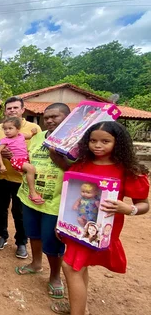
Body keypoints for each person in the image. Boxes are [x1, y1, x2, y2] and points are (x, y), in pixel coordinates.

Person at [51, 121, 149, 315]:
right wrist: (61, 223)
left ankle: (77, 312)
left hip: (101, 229)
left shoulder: (127, 170)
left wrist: (128, 209)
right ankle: (80, 308)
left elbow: (144, 204)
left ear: (118, 142)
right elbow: (71, 195)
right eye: (93, 140)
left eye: (105, 141)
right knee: (79, 266)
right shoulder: (82, 164)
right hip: (77, 225)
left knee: (70, 266)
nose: (98, 145)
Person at [14, 103, 71, 301]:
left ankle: (55, 277)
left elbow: (71, 168)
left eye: (55, 116)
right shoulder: (37, 137)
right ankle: (36, 263)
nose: (49, 121)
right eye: (46, 118)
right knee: (33, 234)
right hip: (30, 196)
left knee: (52, 240)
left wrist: (55, 149)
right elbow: (28, 159)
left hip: (54, 202)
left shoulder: (74, 141)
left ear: (67, 118)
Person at [0, 96, 41, 258]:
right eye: (9, 108)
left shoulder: (33, 128)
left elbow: (38, 150)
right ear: (5, 111)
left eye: (15, 108)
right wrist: (2, 157)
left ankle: (21, 242)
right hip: (2, 176)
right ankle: (2, 235)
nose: (12, 110)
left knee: (19, 212)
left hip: (21, 179)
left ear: (22, 110)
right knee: (0, 209)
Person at [0, 117, 43, 204]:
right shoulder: (5, 140)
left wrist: (34, 132)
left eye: (10, 128)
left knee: (32, 174)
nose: (7, 131)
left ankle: (32, 192)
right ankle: (32, 193)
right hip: (16, 161)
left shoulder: (21, 135)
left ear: (17, 129)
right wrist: (2, 165)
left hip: (25, 159)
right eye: (5, 129)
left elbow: (31, 135)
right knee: (31, 169)